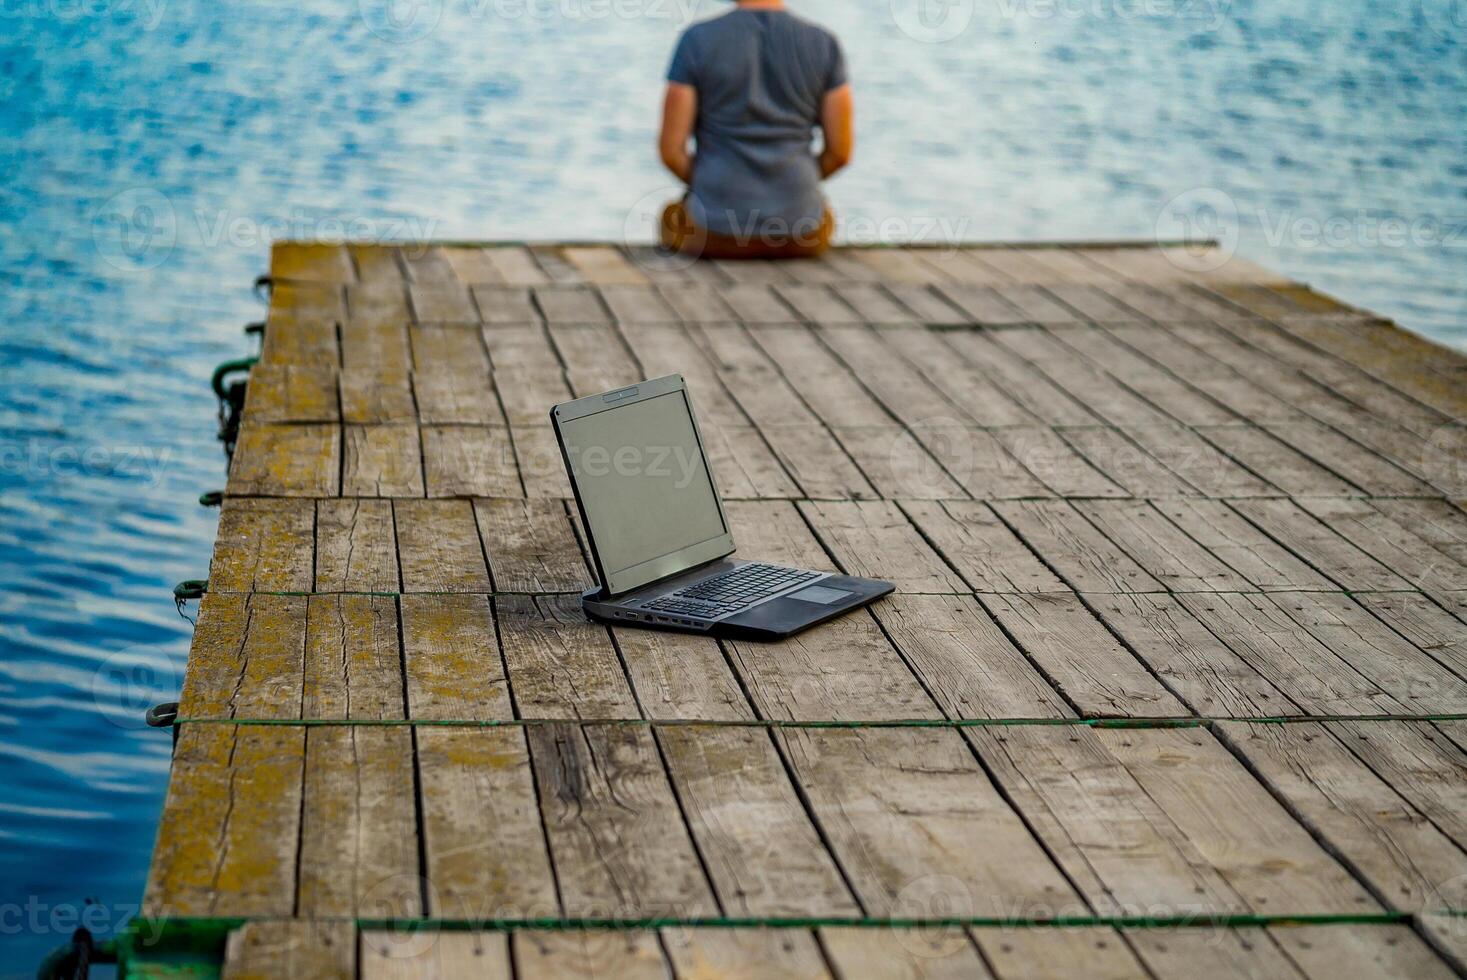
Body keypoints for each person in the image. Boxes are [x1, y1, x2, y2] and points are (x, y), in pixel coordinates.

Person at [658, 0, 854, 260]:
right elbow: (840, 153)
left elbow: (672, 151)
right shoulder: (825, 43)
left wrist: (709, 183)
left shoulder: (696, 40)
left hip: (712, 232)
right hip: (802, 232)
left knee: (669, 217)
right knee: (824, 215)